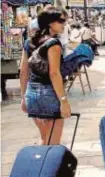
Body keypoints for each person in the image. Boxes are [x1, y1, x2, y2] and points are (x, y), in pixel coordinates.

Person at [20, 6, 71, 145]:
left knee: (45, 139)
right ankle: (46, 166)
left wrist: (23, 97)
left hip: (32, 93)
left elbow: (23, 71)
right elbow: (54, 73)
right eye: (61, 21)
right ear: (50, 23)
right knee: (53, 144)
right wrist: (63, 100)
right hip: (48, 93)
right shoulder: (53, 43)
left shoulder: (29, 42)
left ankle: (40, 165)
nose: (64, 24)